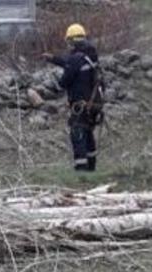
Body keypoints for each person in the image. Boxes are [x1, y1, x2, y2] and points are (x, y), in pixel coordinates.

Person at [44, 24, 104, 172]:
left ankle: (81, 169)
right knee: (88, 133)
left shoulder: (75, 59)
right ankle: (91, 168)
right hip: (94, 104)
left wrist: (54, 84)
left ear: (70, 40)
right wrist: (54, 59)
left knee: (78, 133)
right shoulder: (91, 55)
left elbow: (64, 82)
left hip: (80, 105)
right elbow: (70, 63)